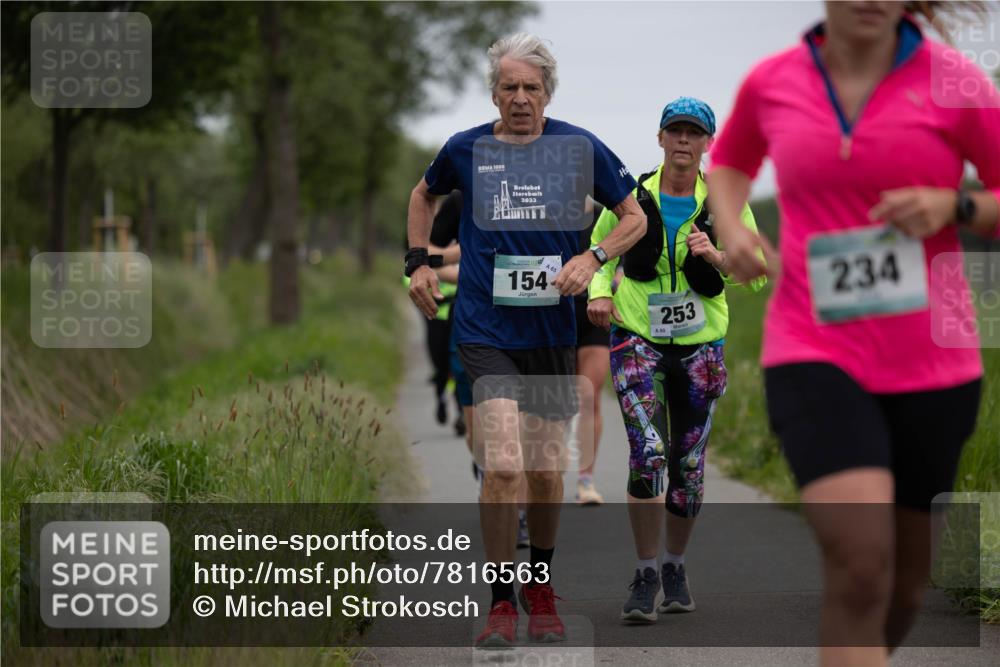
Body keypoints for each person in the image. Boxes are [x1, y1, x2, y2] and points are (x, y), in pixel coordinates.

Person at [706, 2, 999, 665]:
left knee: (902, 588)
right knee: (862, 564)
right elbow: (728, 164)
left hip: (935, 362)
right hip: (814, 347)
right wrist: (733, 229)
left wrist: (955, 204)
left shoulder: (955, 82)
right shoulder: (773, 81)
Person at [406, 32, 645, 649]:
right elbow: (422, 195)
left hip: (551, 331)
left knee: (543, 471)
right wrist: (418, 264)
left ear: (547, 94)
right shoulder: (466, 148)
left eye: (530, 88)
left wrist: (593, 258)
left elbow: (634, 216)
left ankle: (539, 585)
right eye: (508, 87)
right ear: (493, 92)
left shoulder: (579, 146)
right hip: (485, 330)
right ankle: (499, 602)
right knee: (504, 464)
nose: (519, 98)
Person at [589, 97, 767, 623]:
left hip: (700, 346)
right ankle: (644, 574)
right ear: (661, 138)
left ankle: (674, 565)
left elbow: (756, 271)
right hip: (636, 337)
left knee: (687, 466)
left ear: (708, 143)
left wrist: (715, 255)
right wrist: (599, 292)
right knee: (647, 453)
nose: (684, 141)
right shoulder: (631, 198)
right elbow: (599, 251)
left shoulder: (727, 203)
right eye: (676, 131)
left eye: (695, 133)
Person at [573, 201, 609, 506]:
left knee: (588, 395)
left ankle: (586, 478)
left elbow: (627, 254)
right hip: (554, 313)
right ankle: (542, 477)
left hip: (594, 315)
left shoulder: (606, 214)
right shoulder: (546, 210)